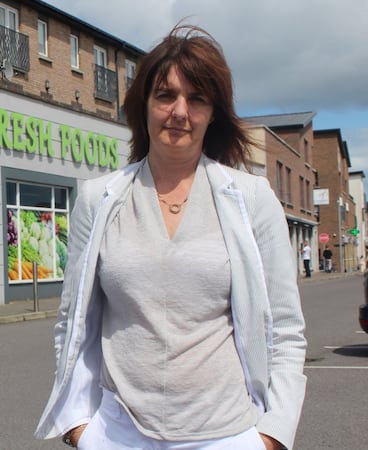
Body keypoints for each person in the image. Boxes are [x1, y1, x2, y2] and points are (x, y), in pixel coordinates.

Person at [34, 25, 307, 450]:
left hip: (226, 433)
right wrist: (78, 427)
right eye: (165, 95)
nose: (180, 111)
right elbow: (73, 322)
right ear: (142, 105)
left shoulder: (251, 199)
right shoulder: (99, 199)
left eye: (196, 98)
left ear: (213, 112)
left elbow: (286, 329)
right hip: (118, 433)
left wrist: (272, 436)